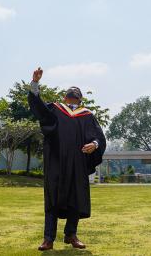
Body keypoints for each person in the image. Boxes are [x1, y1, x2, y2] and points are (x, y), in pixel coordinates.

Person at [28, 67, 106, 251]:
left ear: (80, 99)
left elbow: (99, 137)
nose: (72, 96)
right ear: (64, 97)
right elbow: (39, 109)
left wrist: (94, 144)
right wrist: (35, 83)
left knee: (75, 199)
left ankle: (71, 234)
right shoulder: (55, 109)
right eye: (70, 94)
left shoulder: (87, 115)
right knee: (52, 198)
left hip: (77, 164)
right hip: (56, 162)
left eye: (75, 94)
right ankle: (48, 238)